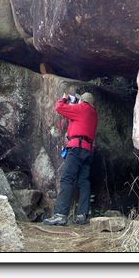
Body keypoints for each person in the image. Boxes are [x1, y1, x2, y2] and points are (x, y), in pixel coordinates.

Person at [43, 92, 98, 226]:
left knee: (67, 179)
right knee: (83, 182)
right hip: (87, 150)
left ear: (82, 101)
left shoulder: (82, 108)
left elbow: (59, 107)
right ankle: (81, 215)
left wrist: (64, 98)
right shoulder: (93, 113)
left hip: (76, 149)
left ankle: (60, 215)